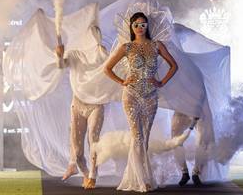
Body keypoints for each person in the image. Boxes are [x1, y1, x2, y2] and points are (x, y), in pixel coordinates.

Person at [104, 12, 178, 192]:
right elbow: (107, 68)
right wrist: (122, 81)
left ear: (147, 26)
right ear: (131, 27)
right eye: (136, 24)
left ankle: (138, 176)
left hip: (151, 95)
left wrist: (161, 82)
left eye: (143, 24)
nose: (139, 28)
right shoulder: (126, 47)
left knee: (144, 138)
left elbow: (174, 65)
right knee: (137, 136)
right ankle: (143, 180)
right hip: (131, 94)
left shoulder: (157, 45)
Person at [56, 41, 105, 189]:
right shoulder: (74, 53)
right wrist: (59, 55)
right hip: (77, 104)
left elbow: (110, 66)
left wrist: (102, 52)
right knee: (77, 152)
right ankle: (84, 172)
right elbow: (61, 66)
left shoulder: (101, 51)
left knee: (93, 140)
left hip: (96, 104)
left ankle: (93, 176)